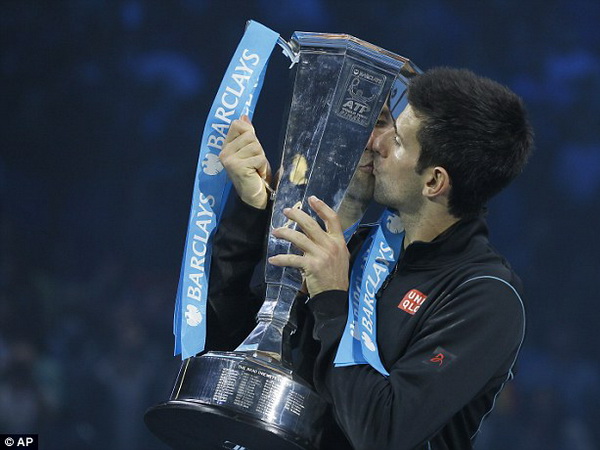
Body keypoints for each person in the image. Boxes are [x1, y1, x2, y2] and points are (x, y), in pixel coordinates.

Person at [208, 67, 534, 450]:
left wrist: (332, 301)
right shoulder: (360, 251)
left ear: (433, 182)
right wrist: (253, 209)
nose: (374, 143)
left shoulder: (484, 298)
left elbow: (385, 432)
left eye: (394, 138)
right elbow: (227, 348)